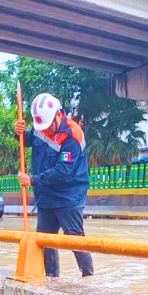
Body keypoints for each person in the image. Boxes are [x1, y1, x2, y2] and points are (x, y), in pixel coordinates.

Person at [15, 92, 93, 277]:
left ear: (59, 114)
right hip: (46, 196)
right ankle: (52, 278)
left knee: (74, 238)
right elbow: (27, 140)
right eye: (43, 127)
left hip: (69, 196)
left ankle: (88, 277)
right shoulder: (41, 128)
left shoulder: (73, 135)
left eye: (49, 126)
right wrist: (18, 133)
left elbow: (62, 171)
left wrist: (32, 180)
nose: (47, 130)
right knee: (45, 239)